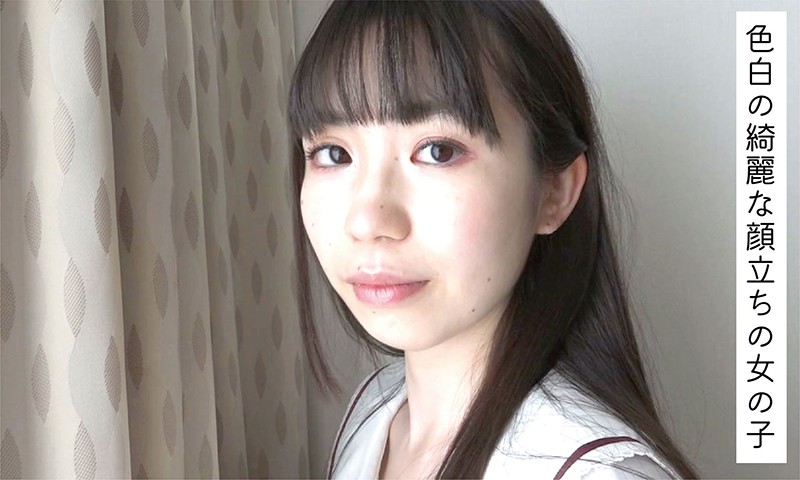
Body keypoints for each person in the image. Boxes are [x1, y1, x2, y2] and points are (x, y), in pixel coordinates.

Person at [287, 1, 701, 478]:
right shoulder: (373, 411)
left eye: (438, 151)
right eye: (334, 154)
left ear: (553, 192)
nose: (368, 221)